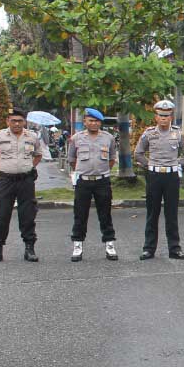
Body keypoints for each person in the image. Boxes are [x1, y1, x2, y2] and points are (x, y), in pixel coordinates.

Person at [0, 107, 49, 263]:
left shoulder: (32, 137)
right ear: (8, 121)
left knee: (28, 215)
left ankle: (29, 249)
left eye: (20, 121)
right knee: (2, 215)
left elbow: (38, 154)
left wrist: (31, 167)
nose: (17, 124)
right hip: (6, 181)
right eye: (13, 121)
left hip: (25, 181)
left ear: (24, 122)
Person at [134, 99, 184, 260]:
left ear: (171, 116)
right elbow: (138, 153)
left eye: (167, 115)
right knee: (152, 213)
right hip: (154, 176)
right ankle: (148, 249)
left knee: (171, 213)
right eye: (161, 115)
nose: (164, 118)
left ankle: (175, 249)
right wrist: (149, 165)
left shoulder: (178, 134)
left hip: (172, 177)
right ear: (156, 117)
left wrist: (176, 163)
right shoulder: (149, 134)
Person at [67, 108, 118, 262]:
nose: (94, 123)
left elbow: (111, 159)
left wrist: (101, 171)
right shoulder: (76, 138)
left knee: (105, 214)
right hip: (84, 181)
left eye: (96, 121)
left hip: (102, 180)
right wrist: (84, 171)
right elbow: (71, 159)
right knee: (80, 214)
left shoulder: (108, 138)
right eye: (90, 120)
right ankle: (77, 245)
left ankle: (110, 244)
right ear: (85, 122)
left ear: (100, 122)